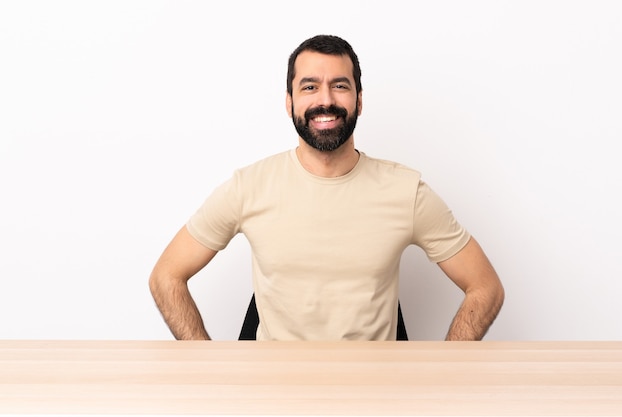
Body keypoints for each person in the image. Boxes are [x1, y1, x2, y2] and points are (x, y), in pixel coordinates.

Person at [149, 34, 504, 341]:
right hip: (273, 395)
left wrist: (448, 369)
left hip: (374, 395)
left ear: (359, 101)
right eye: (309, 86)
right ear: (289, 102)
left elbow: (485, 287)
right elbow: (166, 276)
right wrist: (204, 362)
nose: (326, 100)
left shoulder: (406, 191)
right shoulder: (248, 187)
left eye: (340, 85)